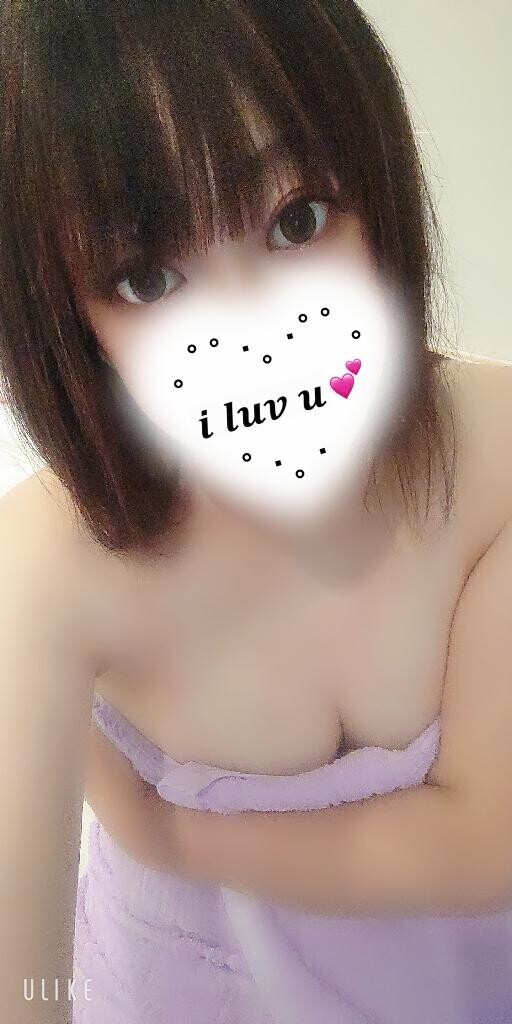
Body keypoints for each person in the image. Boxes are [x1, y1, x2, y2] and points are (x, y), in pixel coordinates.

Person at [1, 2, 511, 1022]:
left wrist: (175, 835)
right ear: (63, 314)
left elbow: (484, 844)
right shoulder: (48, 566)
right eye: (147, 276)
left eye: (296, 219)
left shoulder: (493, 446)